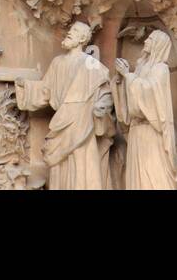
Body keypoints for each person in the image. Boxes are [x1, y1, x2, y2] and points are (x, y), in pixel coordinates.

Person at [16, 21, 113, 190]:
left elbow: (105, 91)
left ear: (83, 38)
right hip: (62, 119)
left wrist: (101, 107)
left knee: (81, 162)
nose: (69, 33)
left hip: (83, 121)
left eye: (74, 31)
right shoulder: (57, 62)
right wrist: (26, 86)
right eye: (70, 29)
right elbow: (45, 90)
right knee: (59, 166)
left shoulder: (90, 64)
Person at [114, 30, 177, 190]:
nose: (146, 41)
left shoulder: (160, 68)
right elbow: (132, 97)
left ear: (158, 44)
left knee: (151, 172)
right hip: (137, 132)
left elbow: (149, 93)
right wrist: (121, 80)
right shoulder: (141, 68)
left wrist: (128, 76)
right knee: (137, 176)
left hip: (151, 131)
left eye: (150, 39)